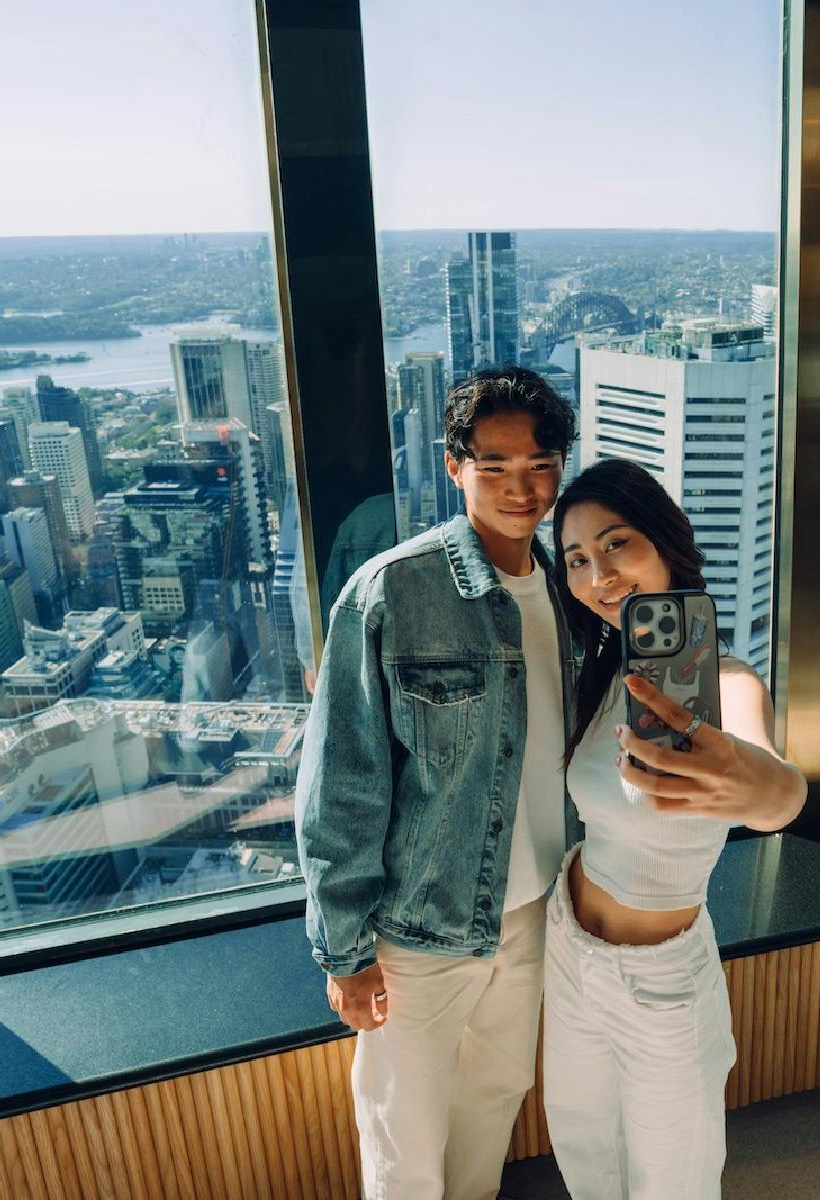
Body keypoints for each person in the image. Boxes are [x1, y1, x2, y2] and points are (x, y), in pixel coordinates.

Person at [295, 366, 582, 1200]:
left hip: (532, 914)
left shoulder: (572, 589)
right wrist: (345, 953)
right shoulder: (394, 590)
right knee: (404, 1136)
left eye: (540, 464)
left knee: (495, 1098)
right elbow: (340, 784)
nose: (521, 488)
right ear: (454, 466)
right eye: (495, 466)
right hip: (418, 929)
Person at [544, 457, 807, 1199]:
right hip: (568, 942)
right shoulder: (605, 676)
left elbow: (778, 793)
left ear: (665, 541)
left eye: (616, 544)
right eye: (577, 559)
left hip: (659, 977)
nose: (599, 575)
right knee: (584, 1149)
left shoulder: (727, 683)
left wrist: (760, 785)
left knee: (674, 1180)